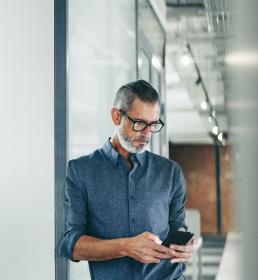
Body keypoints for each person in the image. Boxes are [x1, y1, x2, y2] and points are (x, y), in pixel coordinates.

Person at [59, 80, 195, 280]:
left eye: (153, 125)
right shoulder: (81, 171)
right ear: (116, 116)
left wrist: (183, 244)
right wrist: (126, 246)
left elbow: (177, 225)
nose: (147, 134)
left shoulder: (170, 172)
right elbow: (72, 244)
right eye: (139, 123)